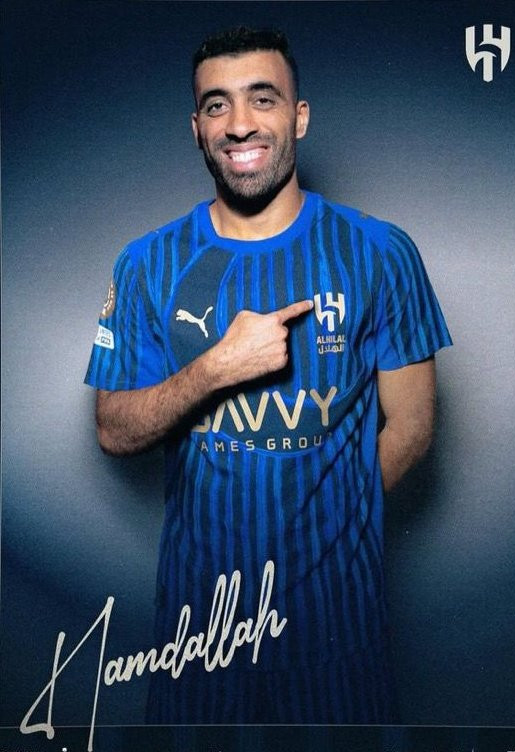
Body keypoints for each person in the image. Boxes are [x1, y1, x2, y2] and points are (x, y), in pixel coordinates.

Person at [85, 26, 452, 724]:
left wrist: (331, 522)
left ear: (298, 116)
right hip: (200, 630)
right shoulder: (146, 264)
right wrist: (215, 368)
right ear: (197, 129)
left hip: (340, 627)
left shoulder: (380, 252)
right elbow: (113, 429)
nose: (240, 124)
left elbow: (413, 423)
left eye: (263, 98)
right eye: (216, 105)